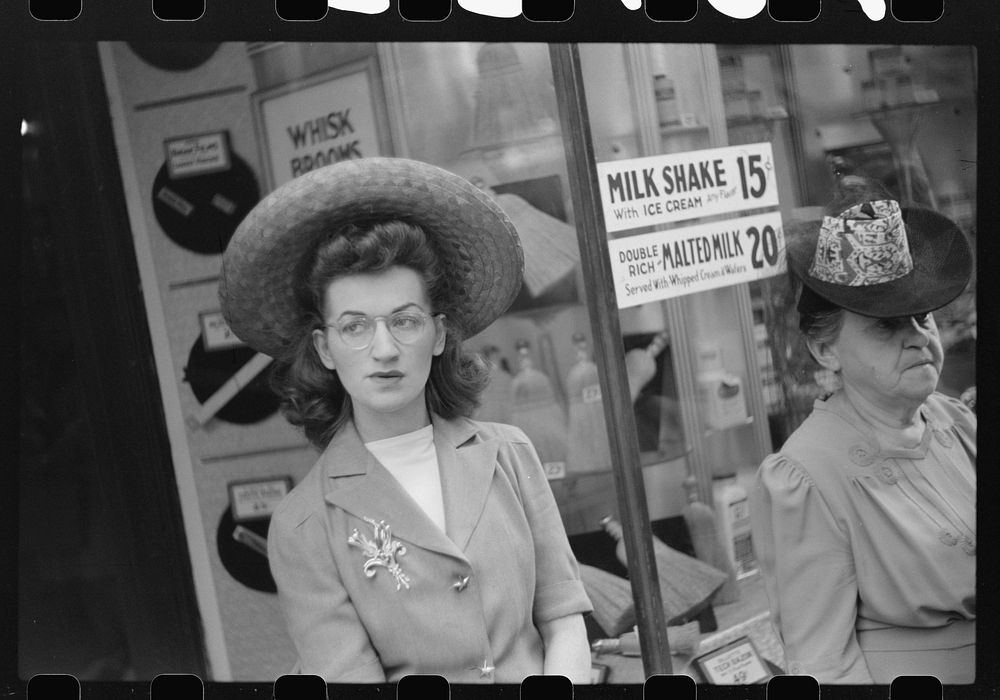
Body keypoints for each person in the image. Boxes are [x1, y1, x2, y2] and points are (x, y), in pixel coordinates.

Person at [219, 157, 593, 683]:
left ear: (439, 335)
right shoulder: (304, 525)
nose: (385, 349)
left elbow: (564, 622)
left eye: (405, 320)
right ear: (325, 349)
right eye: (355, 327)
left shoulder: (509, 455)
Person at [750, 186, 975, 683]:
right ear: (825, 350)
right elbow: (823, 663)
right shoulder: (805, 475)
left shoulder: (958, 424)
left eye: (923, 317)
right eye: (886, 326)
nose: (917, 336)